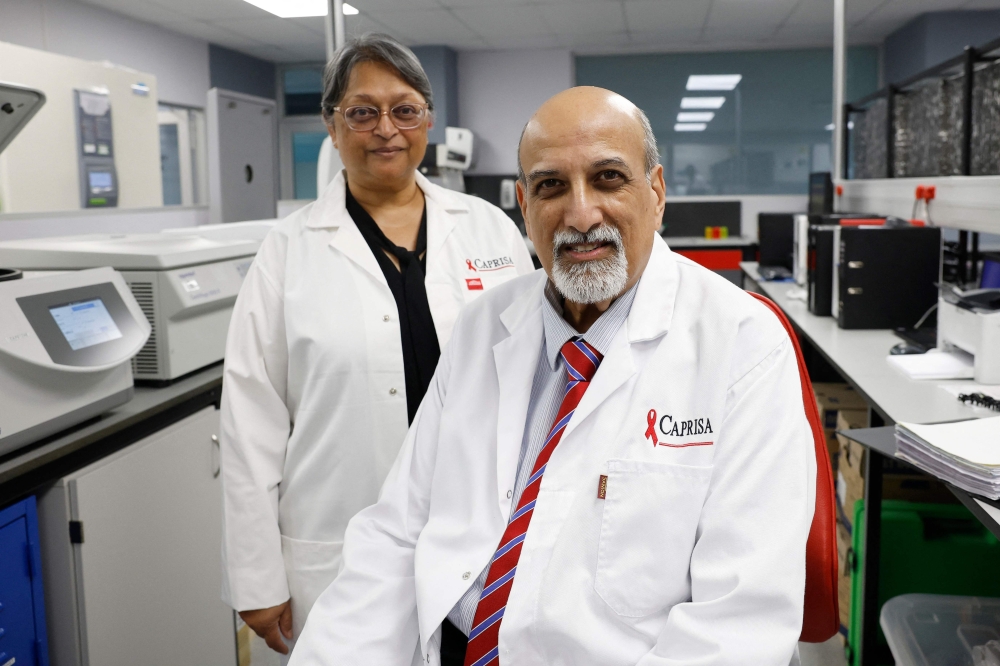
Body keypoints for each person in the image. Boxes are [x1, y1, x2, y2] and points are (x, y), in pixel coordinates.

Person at [289, 86, 816, 666]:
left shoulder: (742, 343)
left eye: (609, 178)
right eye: (550, 186)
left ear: (657, 192)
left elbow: (736, 626)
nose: (581, 214)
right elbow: (396, 533)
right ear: (523, 204)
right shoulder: (481, 327)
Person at [219, 34, 534, 658]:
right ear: (332, 126)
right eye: (362, 112)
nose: (385, 129)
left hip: (482, 531)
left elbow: (535, 376)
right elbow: (250, 421)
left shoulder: (489, 229)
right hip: (339, 538)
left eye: (404, 109)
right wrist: (256, 576)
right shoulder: (288, 250)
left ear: (429, 120)